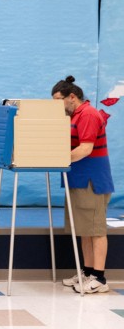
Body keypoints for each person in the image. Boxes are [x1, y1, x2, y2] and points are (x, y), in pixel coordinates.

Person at [51, 76, 114, 294]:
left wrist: (58, 158)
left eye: (58, 100)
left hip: (92, 181)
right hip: (78, 179)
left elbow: (85, 149)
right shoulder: (75, 115)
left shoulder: (87, 114)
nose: (56, 105)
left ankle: (100, 278)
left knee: (96, 230)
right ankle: (87, 272)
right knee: (84, 230)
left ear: (71, 97)